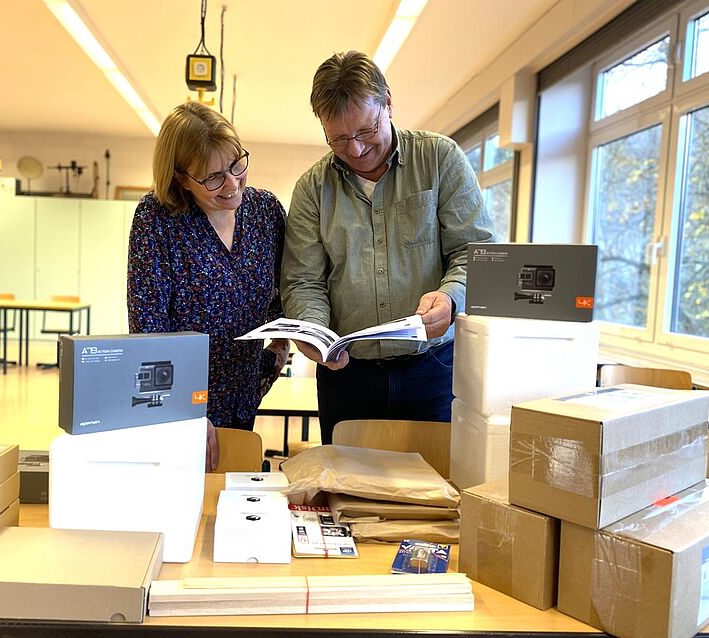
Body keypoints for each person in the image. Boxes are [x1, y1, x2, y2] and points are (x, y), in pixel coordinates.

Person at [281, 51, 495, 445]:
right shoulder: (312, 189)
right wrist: (314, 332)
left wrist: (451, 299)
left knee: (436, 492)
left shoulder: (439, 159)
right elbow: (303, 282)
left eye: (366, 130)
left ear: (388, 104)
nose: (357, 149)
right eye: (339, 139)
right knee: (347, 494)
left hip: (433, 369)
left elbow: (475, 254)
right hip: (348, 377)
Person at [127, 102, 289, 470]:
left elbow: (289, 293)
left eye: (236, 165)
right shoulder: (158, 219)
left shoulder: (265, 212)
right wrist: (184, 412)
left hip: (245, 396)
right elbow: (148, 330)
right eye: (212, 177)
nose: (232, 184)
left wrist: (278, 353)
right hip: (181, 411)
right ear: (182, 178)